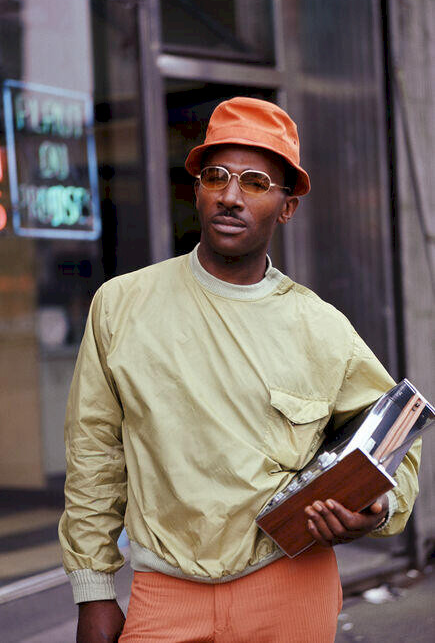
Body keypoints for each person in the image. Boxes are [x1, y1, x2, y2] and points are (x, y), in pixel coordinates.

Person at [59, 97, 421, 643]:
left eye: (255, 183)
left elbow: (398, 437)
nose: (231, 197)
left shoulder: (321, 328)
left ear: (287, 206)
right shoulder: (122, 305)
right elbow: (94, 454)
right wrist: (93, 590)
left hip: (292, 584)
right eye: (217, 177)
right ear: (197, 190)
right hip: (166, 590)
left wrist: (377, 507)